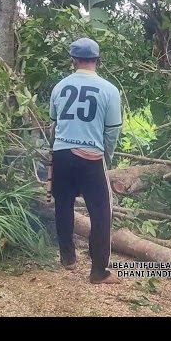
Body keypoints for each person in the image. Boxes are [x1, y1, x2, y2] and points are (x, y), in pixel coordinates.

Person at [48, 37, 123, 284]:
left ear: (74, 61)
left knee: (63, 204)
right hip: (91, 155)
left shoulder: (59, 87)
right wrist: (106, 156)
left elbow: (54, 124)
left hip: (62, 154)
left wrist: (57, 150)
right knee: (101, 212)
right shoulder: (110, 90)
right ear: (96, 60)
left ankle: (68, 258)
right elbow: (112, 130)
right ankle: (99, 271)